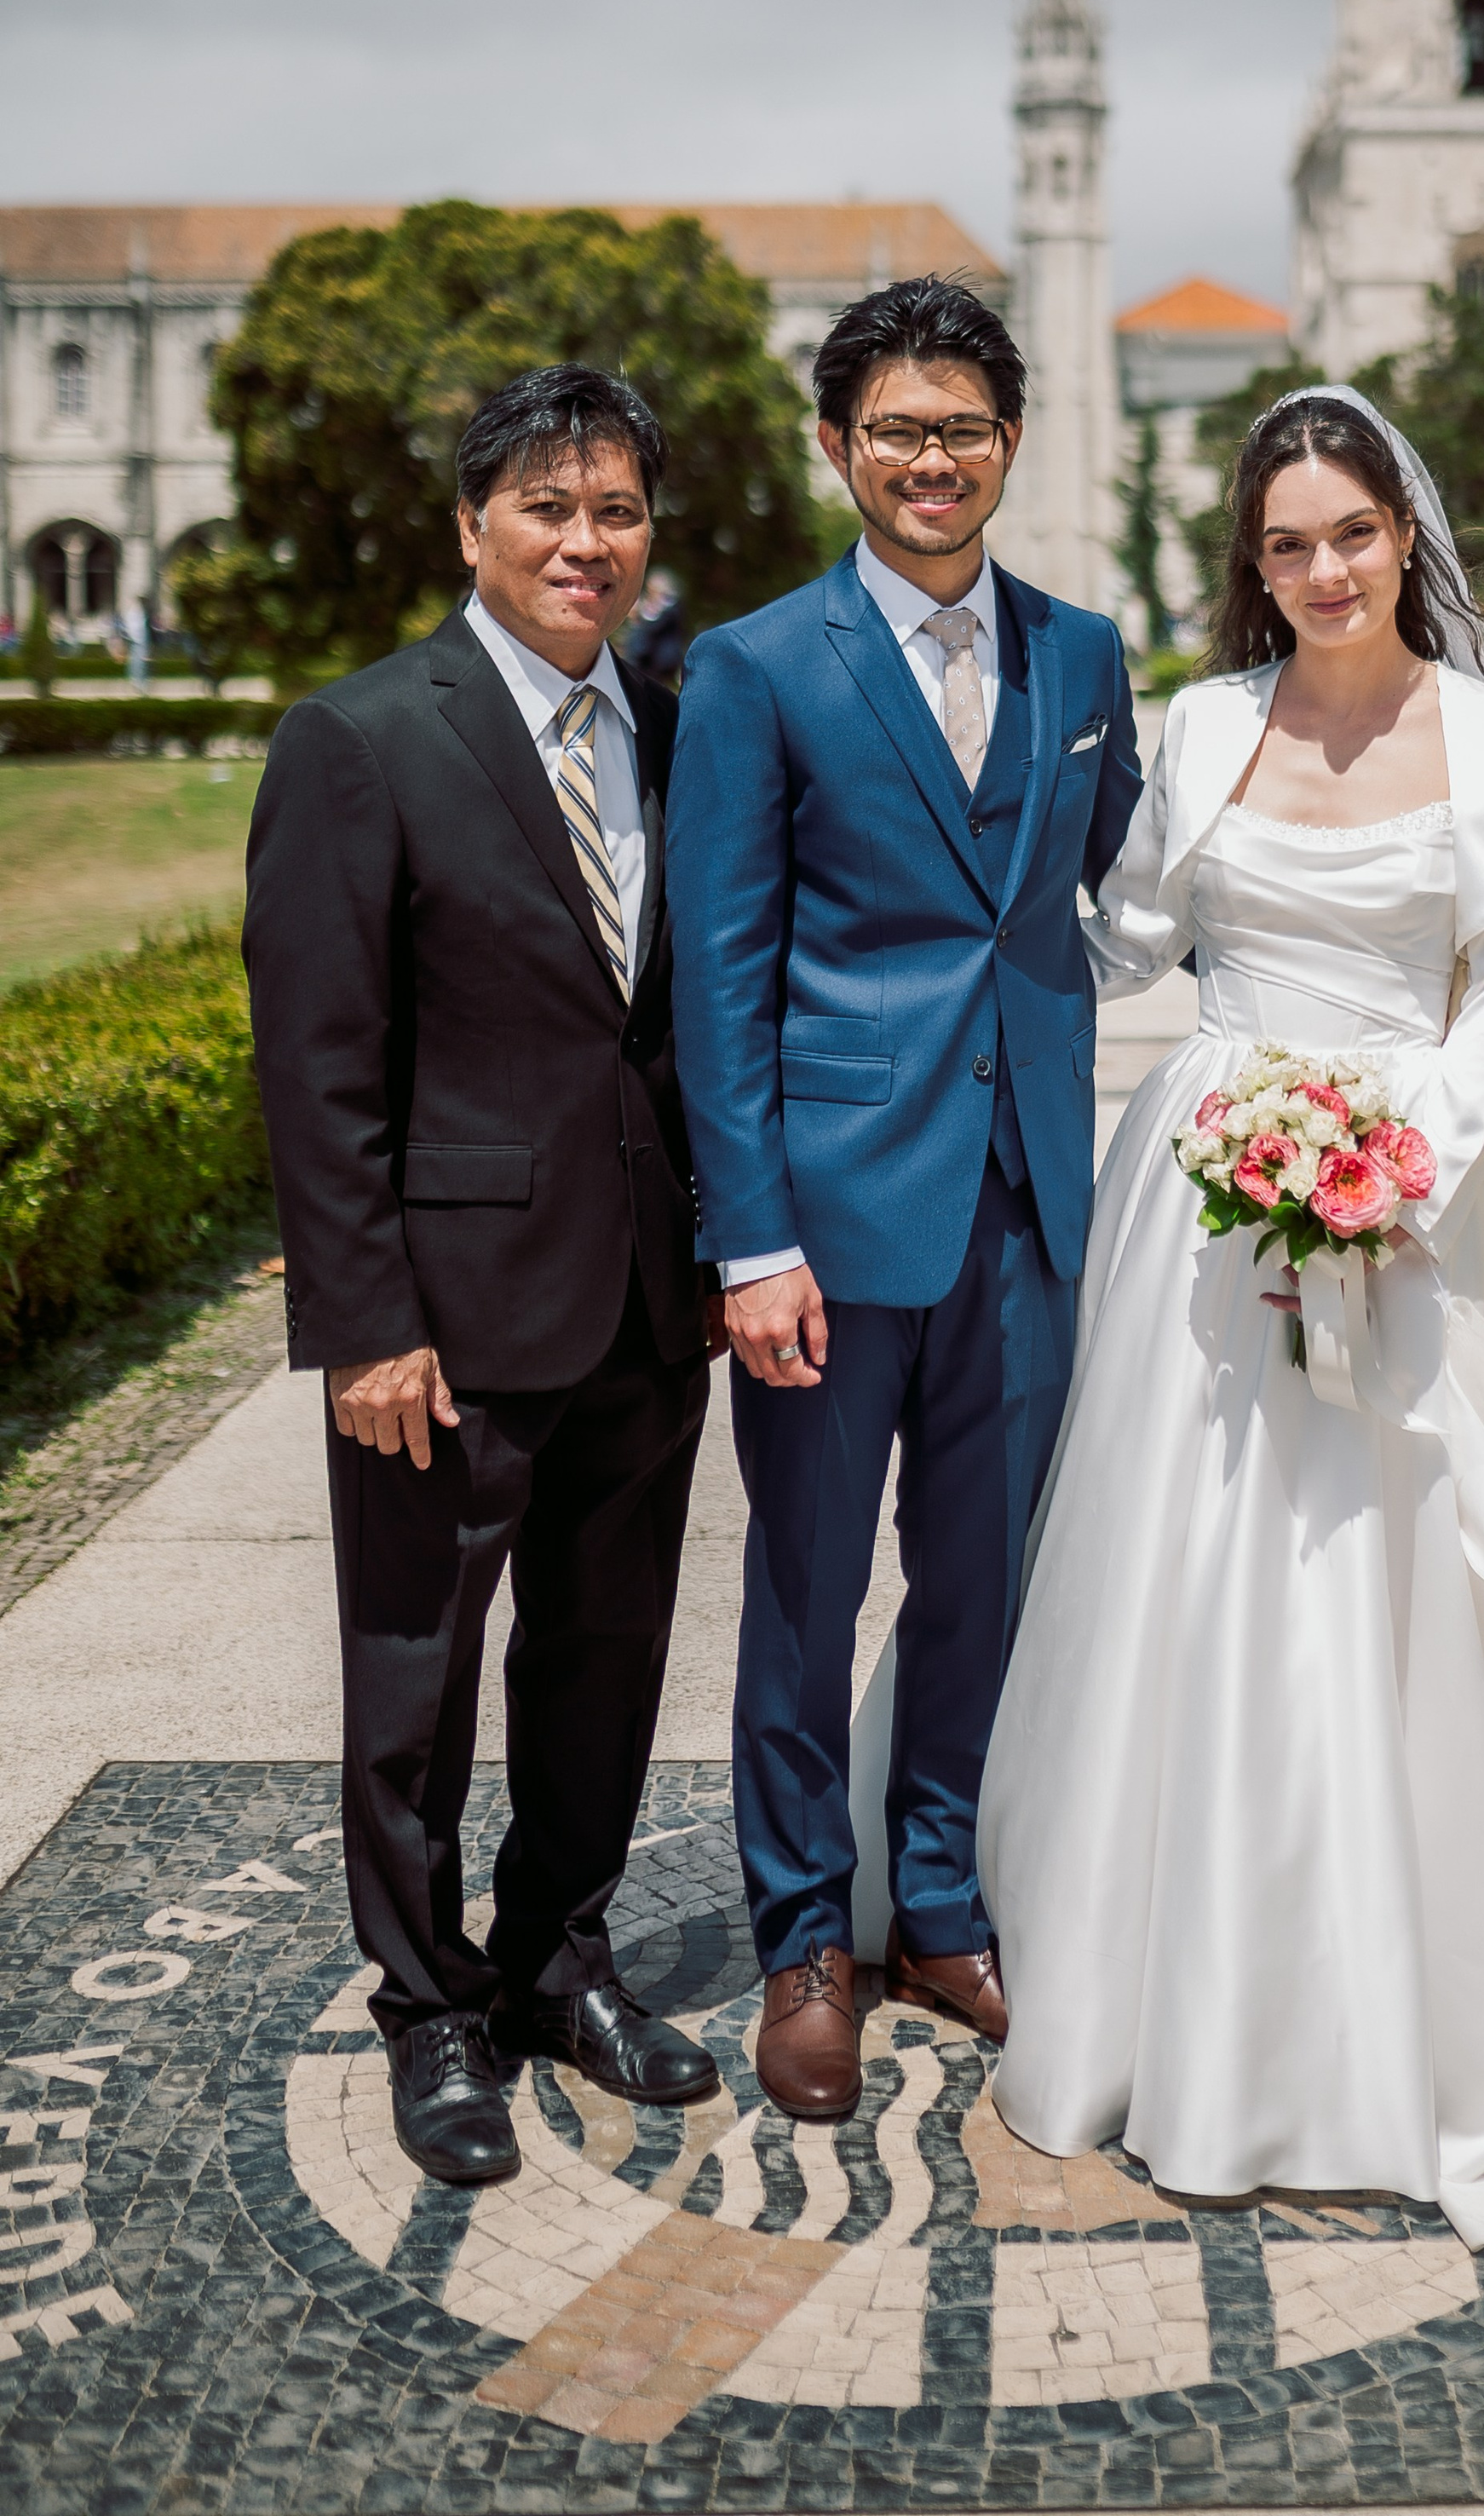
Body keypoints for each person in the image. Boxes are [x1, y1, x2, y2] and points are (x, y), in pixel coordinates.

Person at [978, 387, 1484, 2266]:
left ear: (1404, 537)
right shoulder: (1205, 719)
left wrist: (1400, 1168)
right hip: (1205, 1181)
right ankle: (1166, 1978)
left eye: (1353, 534)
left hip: (1406, 1178)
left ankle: (1407, 1981)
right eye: (1288, 543)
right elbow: (1132, 931)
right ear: (1255, 561)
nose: (1323, 571)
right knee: (1194, 1559)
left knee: (1399, 1564)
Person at [667, 273, 1141, 2122]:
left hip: (1026, 1208)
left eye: (961, 430)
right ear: (837, 446)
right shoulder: (758, 667)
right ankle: (804, 1939)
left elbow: (1137, 889)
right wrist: (751, 1238)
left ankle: (939, 1901)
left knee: (982, 1581)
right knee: (804, 1590)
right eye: (895, 431)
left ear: (1008, 444)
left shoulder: (1083, 657)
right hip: (829, 1224)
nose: (930, 461)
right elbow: (721, 976)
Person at [244, 366, 719, 2189]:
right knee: (414, 1674)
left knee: (605, 1654)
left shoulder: (675, 730)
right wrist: (363, 1322)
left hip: (643, 1302)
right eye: (547, 507)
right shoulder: (360, 737)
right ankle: (429, 2002)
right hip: (441, 1321)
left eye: (616, 512)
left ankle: (557, 1958)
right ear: (473, 524)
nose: (585, 543)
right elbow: (319, 1063)